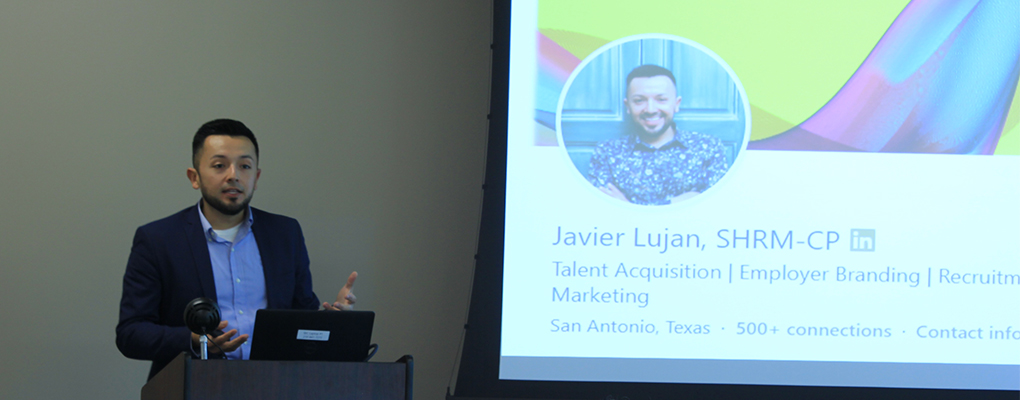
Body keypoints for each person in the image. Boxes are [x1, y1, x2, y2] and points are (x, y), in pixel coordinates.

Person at [116, 119, 358, 380]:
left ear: (256, 177)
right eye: (219, 165)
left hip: (275, 385)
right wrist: (197, 340)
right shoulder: (158, 240)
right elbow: (131, 333)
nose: (233, 175)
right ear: (194, 177)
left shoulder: (284, 233)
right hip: (194, 385)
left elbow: (301, 318)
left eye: (244, 166)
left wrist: (332, 322)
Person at [587, 64, 729, 205]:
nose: (650, 109)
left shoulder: (708, 148)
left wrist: (630, 206)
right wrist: (681, 201)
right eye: (639, 100)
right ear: (628, 106)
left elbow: (714, 205)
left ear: (676, 104)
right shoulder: (607, 152)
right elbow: (604, 209)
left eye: (661, 99)